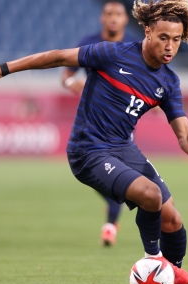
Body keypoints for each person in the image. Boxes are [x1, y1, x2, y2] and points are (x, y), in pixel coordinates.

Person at [0, 0, 188, 284]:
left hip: (123, 147)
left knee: (171, 218)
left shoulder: (168, 82)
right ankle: (154, 263)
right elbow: (57, 57)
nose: (170, 47)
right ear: (147, 31)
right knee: (151, 195)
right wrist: (3, 69)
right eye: (163, 38)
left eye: (176, 39)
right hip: (89, 151)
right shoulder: (112, 53)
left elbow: (184, 133)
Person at [61, 1, 138, 247]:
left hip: (121, 124)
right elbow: (67, 74)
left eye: (118, 14)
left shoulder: (133, 47)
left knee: (118, 179)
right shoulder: (89, 43)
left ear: (126, 19)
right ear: (102, 19)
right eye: (108, 14)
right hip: (92, 123)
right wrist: (72, 84)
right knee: (106, 179)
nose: (113, 18)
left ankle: (109, 227)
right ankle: (112, 219)